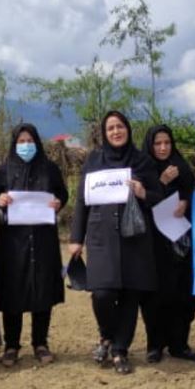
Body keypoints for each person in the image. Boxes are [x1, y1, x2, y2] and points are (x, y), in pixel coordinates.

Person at [68, 111, 162, 375]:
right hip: (101, 237)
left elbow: (157, 197)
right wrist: (76, 238)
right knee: (102, 293)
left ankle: (120, 350)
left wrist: (143, 193)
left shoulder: (142, 161)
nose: (116, 132)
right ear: (104, 133)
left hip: (135, 239)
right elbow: (81, 201)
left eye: (120, 126)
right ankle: (106, 336)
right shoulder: (94, 161)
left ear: (128, 130)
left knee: (131, 295)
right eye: (110, 128)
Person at [0, 123, 68, 366]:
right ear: (14, 144)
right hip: (12, 242)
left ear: (37, 142)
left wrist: (58, 202)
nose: (26, 146)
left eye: (30, 141)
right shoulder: (5, 169)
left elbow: (62, 194)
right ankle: (11, 345)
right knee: (12, 289)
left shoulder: (50, 169)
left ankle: (40, 343)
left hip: (43, 239)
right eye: (21, 142)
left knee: (42, 287)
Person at [139, 124, 195, 363]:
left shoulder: (181, 167)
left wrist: (186, 202)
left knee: (182, 297)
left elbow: (193, 193)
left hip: (181, 245)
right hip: (153, 246)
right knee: (155, 298)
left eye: (167, 143)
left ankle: (179, 344)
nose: (163, 148)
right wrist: (161, 183)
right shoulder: (143, 169)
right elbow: (142, 202)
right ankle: (155, 345)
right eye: (157, 143)